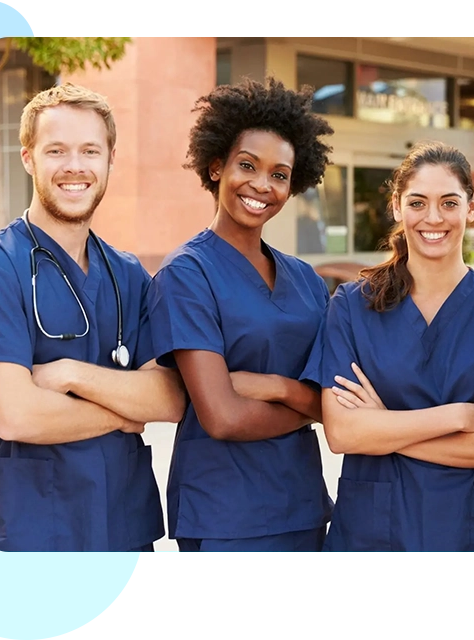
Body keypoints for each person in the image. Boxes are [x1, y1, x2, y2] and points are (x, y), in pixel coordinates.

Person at [0, 83, 186, 552]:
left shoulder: (129, 274)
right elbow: (14, 415)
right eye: (57, 150)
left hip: (122, 528)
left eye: (90, 150)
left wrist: (70, 374)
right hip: (32, 530)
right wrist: (122, 410)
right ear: (28, 157)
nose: (75, 166)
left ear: (111, 159)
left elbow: (169, 399)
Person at [146, 77, 335, 552]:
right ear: (216, 167)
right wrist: (307, 406)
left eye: (279, 174)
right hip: (225, 514)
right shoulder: (187, 274)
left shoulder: (307, 280)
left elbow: (333, 404)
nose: (261, 185)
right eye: (247, 165)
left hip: (304, 506)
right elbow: (223, 417)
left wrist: (276, 387)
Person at [309, 141, 474, 552]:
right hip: (375, 534)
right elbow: (343, 433)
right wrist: (460, 415)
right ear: (396, 206)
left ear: (471, 207)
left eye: (449, 202)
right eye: (418, 203)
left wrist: (384, 427)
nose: (433, 218)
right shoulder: (352, 306)